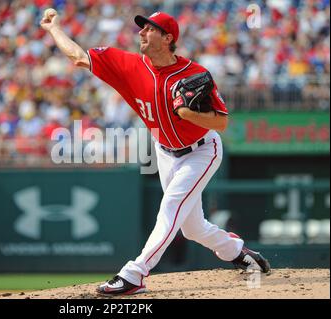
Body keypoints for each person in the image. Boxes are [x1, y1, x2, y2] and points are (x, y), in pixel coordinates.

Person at [40, 9, 271, 295]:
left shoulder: (196, 73)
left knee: (170, 208)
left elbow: (221, 123)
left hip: (202, 151)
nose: (141, 33)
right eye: (142, 28)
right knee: (192, 228)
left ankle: (134, 274)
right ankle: (237, 250)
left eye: (149, 29)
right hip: (164, 152)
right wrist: (54, 29)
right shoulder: (128, 65)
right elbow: (78, 56)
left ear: (168, 38)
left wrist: (187, 113)